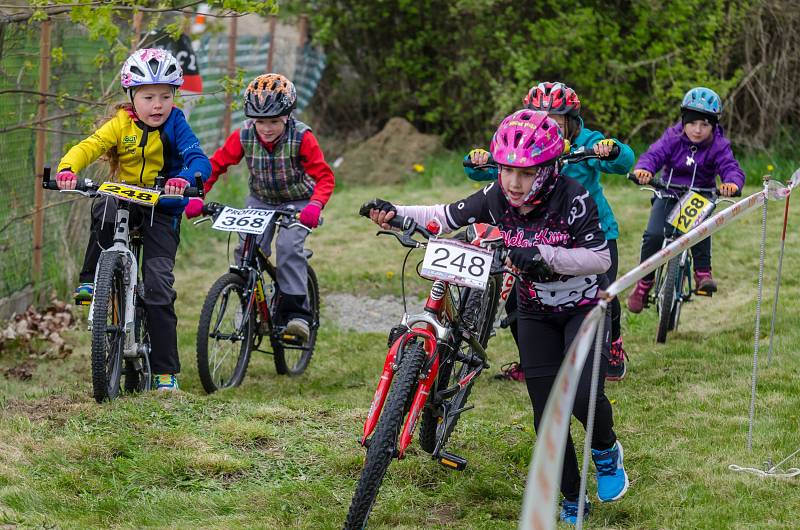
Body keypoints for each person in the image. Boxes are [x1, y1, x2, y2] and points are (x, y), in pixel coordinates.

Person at [364, 109, 628, 525]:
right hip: (535, 313)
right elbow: (444, 215)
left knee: (580, 397)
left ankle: (606, 449)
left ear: (547, 170)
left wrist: (544, 257)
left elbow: (599, 258)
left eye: (525, 173)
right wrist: (393, 210)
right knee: (546, 415)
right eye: (506, 170)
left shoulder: (573, 197)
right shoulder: (496, 197)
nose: (513, 182)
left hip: (582, 310)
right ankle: (574, 497)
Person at [55, 48, 211, 391]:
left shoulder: (176, 124)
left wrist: (184, 179)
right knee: (104, 204)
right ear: (132, 96)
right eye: (149, 97)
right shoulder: (121, 124)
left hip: (162, 206)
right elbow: (90, 145)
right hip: (126, 196)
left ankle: (165, 371)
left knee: (158, 287)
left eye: (166, 97)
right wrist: (68, 168)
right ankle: (91, 280)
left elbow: (199, 159)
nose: (158, 105)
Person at [466, 82, 634, 381]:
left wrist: (611, 149)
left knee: (603, 292)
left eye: (554, 121)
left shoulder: (586, 142)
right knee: (520, 299)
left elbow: (623, 162)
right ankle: (533, 360)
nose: (546, 126)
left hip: (591, 234)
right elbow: (493, 168)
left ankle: (614, 345)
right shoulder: (526, 149)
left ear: (570, 122)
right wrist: (478, 163)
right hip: (538, 236)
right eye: (538, 118)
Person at [186, 73, 335, 342]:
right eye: (261, 121)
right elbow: (216, 164)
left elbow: (324, 177)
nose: (266, 128)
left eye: (274, 122)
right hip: (261, 200)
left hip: (298, 201)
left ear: (287, 117)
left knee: (288, 248)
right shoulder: (244, 135)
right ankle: (246, 304)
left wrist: (315, 204)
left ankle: (296, 314)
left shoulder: (302, 138)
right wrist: (197, 195)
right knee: (246, 248)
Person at [627, 87, 745, 313]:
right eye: (692, 123)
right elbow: (654, 155)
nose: (698, 130)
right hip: (669, 193)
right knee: (653, 235)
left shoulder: (719, 145)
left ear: (713, 125)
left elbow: (731, 167)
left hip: (700, 196)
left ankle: (702, 274)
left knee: (699, 229)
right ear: (684, 121)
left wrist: (732, 183)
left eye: (704, 124)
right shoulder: (673, 137)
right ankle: (644, 283)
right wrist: (644, 170)